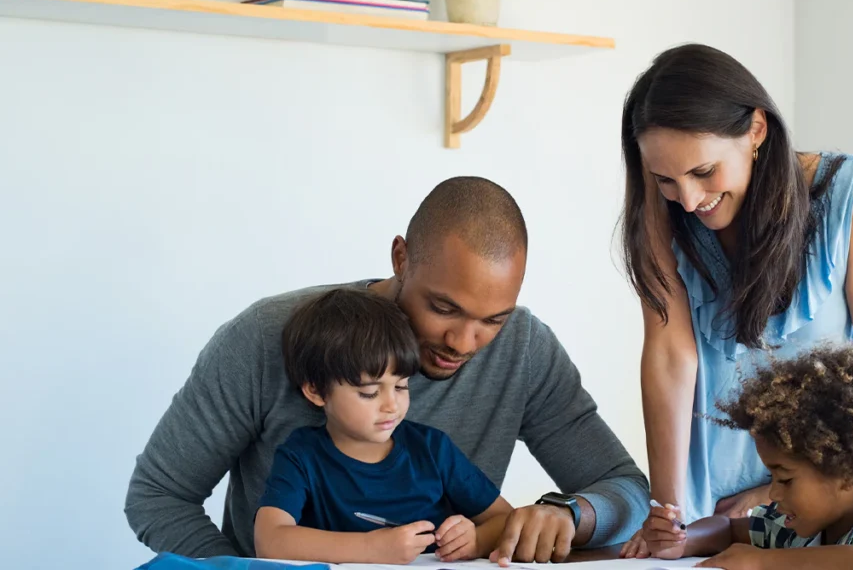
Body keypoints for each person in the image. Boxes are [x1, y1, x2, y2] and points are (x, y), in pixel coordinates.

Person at [125, 176, 649, 564]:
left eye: (493, 319)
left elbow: (625, 489)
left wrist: (570, 514)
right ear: (401, 257)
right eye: (443, 308)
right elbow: (158, 496)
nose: (464, 343)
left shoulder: (524, 348)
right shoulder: (267, 337)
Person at [617, 44, 853, 557]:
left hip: (834, 500)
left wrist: (773, 493)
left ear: (756, 130)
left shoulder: (848, 194)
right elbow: (670, 356)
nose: (688, 200)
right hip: (709, 508)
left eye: (704, 172)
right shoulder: (662, 215)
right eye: (666, 179)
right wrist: (668, 511)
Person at [254, 288, 513, 564]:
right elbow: (270, 540)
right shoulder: (301, 456)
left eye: (401, 386)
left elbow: (506, 519)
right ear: (316, 391)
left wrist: (476, 540)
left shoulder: (432, 450)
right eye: (369, 392)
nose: (392, 405)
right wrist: (371, 548)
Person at [642, 343, 853, 570]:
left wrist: (761, 562)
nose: (772, 492)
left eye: (785, 478)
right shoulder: (795, 527)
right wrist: (682, 540)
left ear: (850, 472)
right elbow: (727, 529)